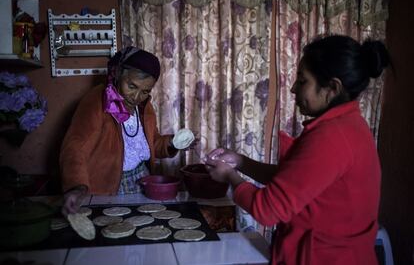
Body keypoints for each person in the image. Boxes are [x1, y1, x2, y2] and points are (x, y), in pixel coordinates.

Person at [205, 35, 390, 265]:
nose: (293, 89)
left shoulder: (333, 137)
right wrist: (240, 162)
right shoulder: (347, 125)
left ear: (332, 87)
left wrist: (228, 175)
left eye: (302, 82)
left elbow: (267, 209)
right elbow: (293, 182)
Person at [60, 47, 195, 216]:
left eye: (145, 91)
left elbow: (151, 145)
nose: (136, 96)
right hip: (109, 187)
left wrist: (173, 142)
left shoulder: (145, 107)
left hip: (143, 182)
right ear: (117, 74)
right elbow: (75, 146)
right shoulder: (97, 101)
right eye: (132, 86)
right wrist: (77, 186)